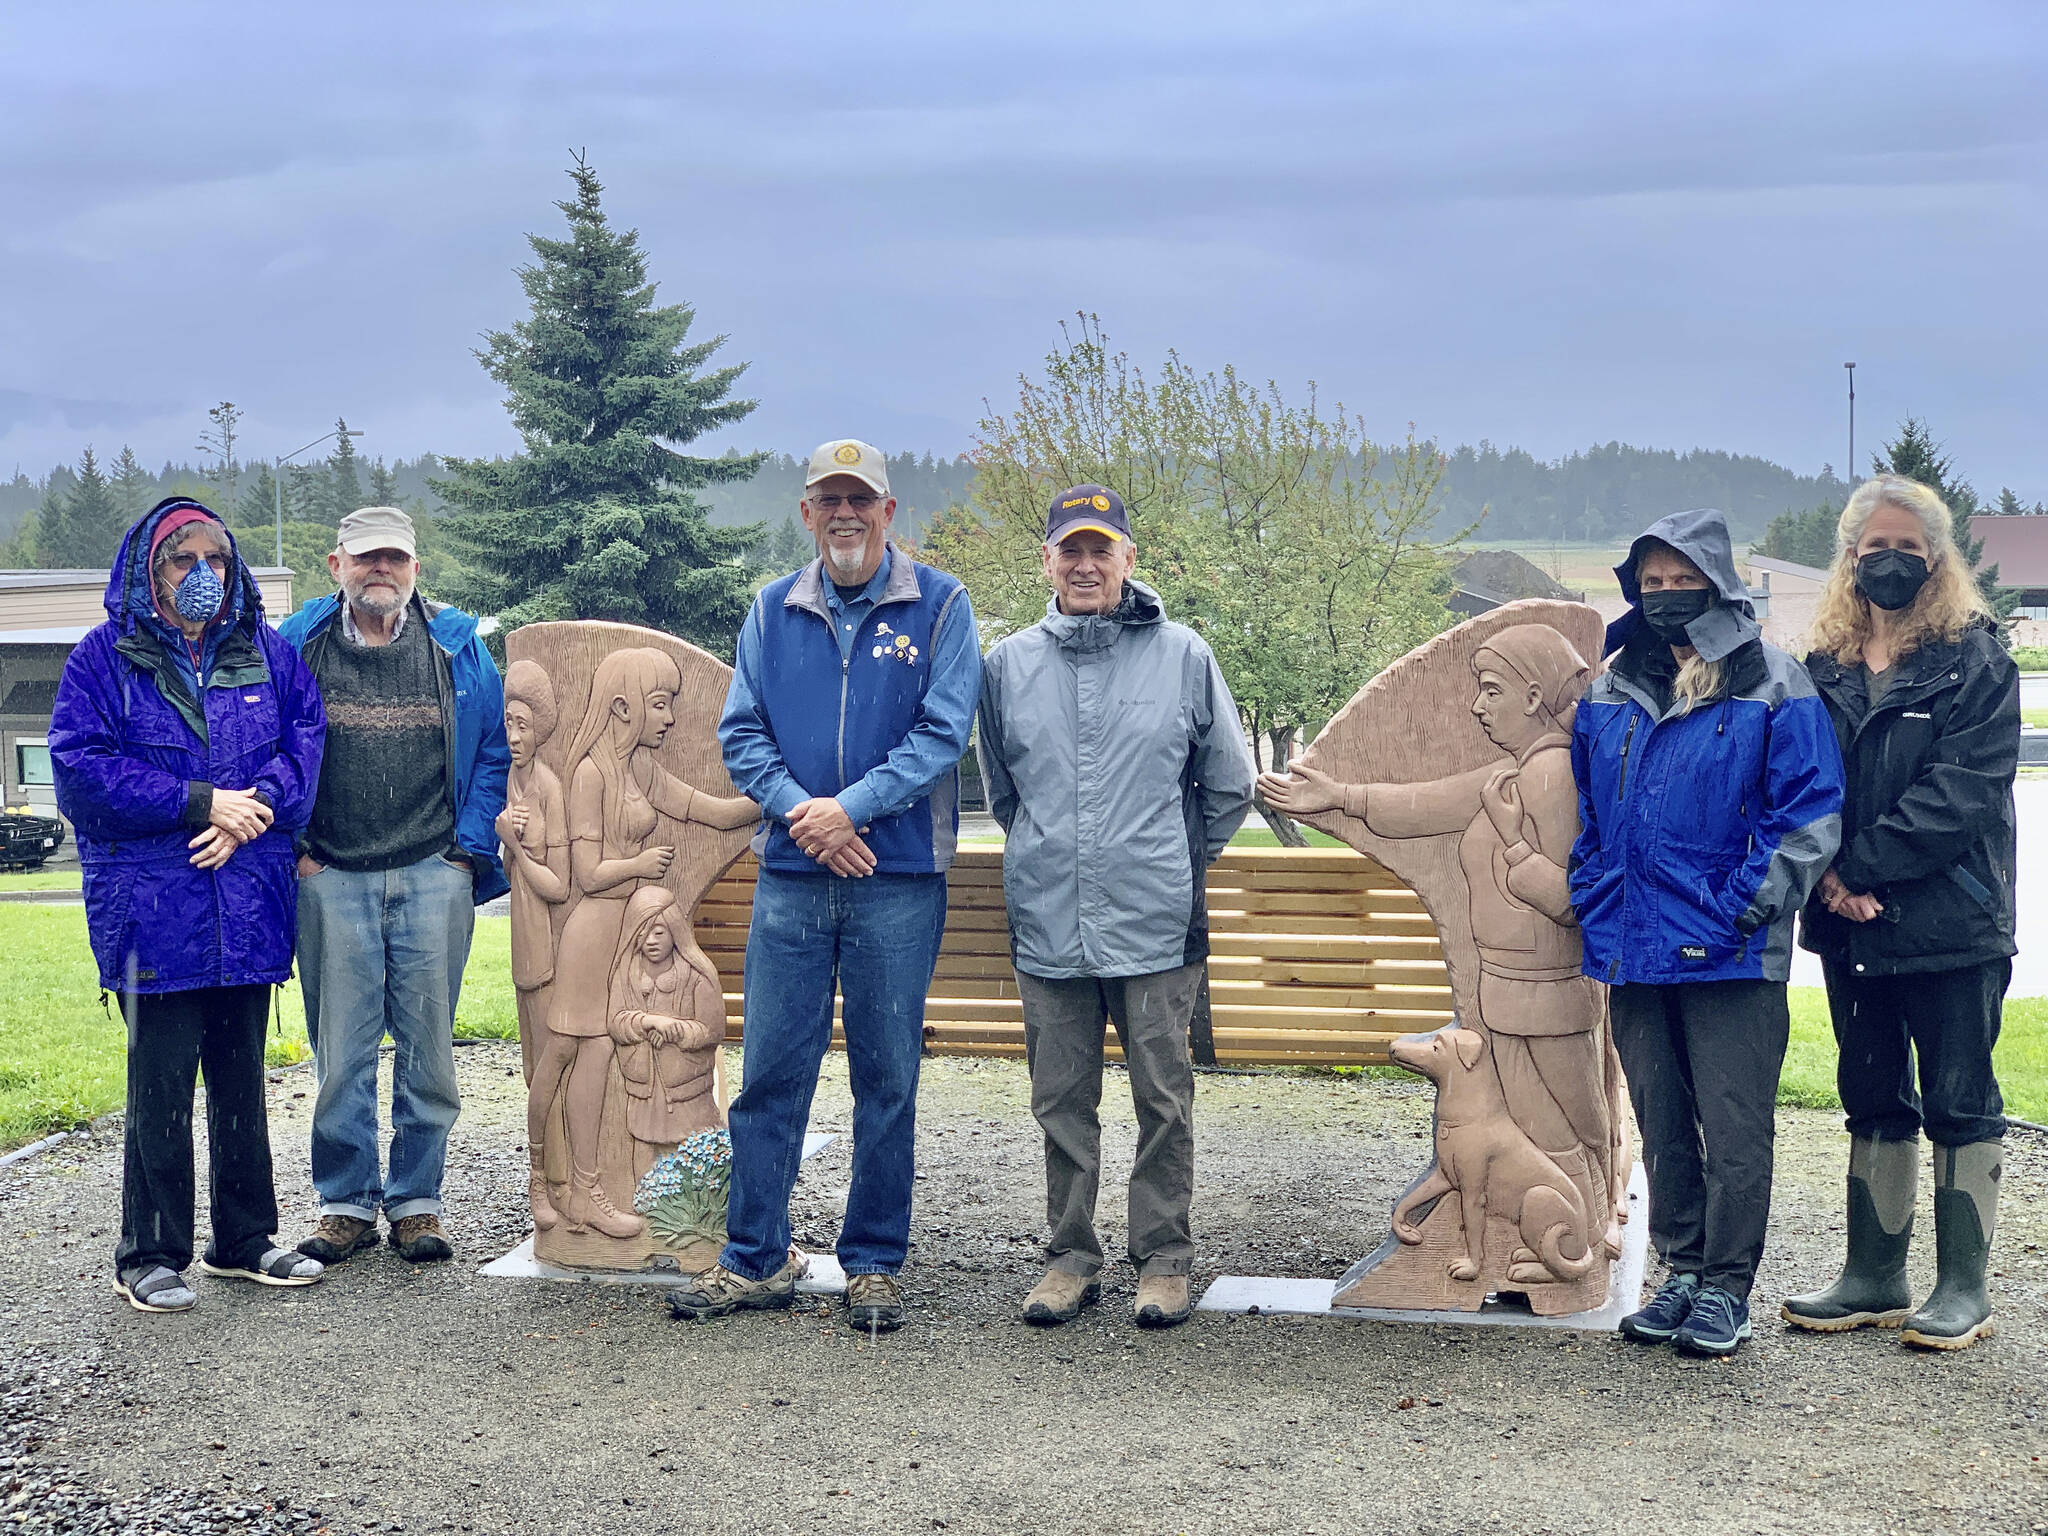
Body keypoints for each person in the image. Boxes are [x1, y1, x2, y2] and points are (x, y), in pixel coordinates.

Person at [667, 438, 980, 1333]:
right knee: (770, 1075)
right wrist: (805, 814)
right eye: (828, 500)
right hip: (794, 877)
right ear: (807, 513)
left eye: (861, 499)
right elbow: (742, 733)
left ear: (888, 511)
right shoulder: (771, 610)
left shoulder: (942, 605)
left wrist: (851, 811)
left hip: (897, 876)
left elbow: (943, 732)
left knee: (887, 1078)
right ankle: (755, 1258)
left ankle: (873, 1264)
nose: (845, 514)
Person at [1261, 624, 1631, 1274]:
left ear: (1534, 696)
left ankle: (1576, 1245)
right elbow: (1427, 805)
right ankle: (1573, 1232)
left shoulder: (1550, 774)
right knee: (1545, 1126)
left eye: (1491, 691)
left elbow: (1570, 900)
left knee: (1563, 1129)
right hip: (1510, 989)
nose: (1476, 706)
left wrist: (1513, 844)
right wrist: (1340, 797)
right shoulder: (1516, 771)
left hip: (1546, 992)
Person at [1569, 509, 1843, 1356]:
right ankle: (1681, 1272)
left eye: (1683, 580)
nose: (1665, 594)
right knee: (1662, 1122)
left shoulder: (1772, 681)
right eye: (1651, 582)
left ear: (1717, 584)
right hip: (1633, 945)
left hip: (1730, 949)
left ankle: (1727, 1288)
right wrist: (1593, 890)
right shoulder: (1611, 688)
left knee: (1734, 1130)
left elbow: (1809, 812)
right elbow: (1589, 812)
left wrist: (1742, 905)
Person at [980, 485, 1253, 1328]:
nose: (1086, 564)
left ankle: (1163, 1260)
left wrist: (1169, 860)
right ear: (1047, 562)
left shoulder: (1183, 655)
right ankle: (1069, 1259)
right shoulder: (1007, 666)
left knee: (1163, 1101)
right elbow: (1002, 792)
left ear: (1130, 560)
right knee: (1060, 1102)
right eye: (1071, 549)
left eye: (1102, 549)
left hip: (1156, 922)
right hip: (1049, 921)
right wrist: (1052, 857)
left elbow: (1229, 785)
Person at [50, 498, 327, 1311]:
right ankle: (149, 1254)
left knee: (241, 1082)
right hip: (151, 911)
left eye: (217, 559)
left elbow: (304, 745)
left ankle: (243, 1239)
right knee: (160, 1090)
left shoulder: (267, 654)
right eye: (183, 559)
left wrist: (254, 809)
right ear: (150, 571)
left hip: (247, 901)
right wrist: (200, 801)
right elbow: (81, 772)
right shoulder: (103, 660)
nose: (203, 573)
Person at [1781, 475, 2019, 1351]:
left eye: (1907, 548)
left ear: (1936, 557)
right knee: (1872, 1092)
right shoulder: (1823, 667)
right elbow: (1794, 781)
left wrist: (1854, 866)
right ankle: (1874, 1276)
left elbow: (1962, 792)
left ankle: (1963, 1289)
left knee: (1960, 1097)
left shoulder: (1976, 661)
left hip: (1952, 922)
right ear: (1850, 557)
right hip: (1850, 924)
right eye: (1873, 547)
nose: (1889, 560)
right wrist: (1827, 878)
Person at [275, 506, 510, 1265]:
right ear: (336, 565)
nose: (382, 569)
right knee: (341, 1055)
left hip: (433, 871)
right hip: (331, 874)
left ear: (415, 568)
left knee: (429, 1052)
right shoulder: (295, 645)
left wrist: (467, 851)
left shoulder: (458, 647)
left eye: (396, 559)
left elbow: (495, 752)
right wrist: (297, 849)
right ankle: (345, 1203)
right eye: (367, 557)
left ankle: (416, 1201)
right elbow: (263, 746)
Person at [526, 646, 755, 1237]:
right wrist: (640, 865)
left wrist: (774, 800)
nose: (670, 718)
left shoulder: (639, 770)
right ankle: (546, 1180)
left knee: (598, 1055)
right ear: (623, 706)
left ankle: (584, 1190)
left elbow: (706, 810)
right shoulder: (591, 773)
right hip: (591, 934)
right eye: (660, 704)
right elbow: (587, 874)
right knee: (563, 1054)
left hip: (625, 933)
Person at [499, 660, 572, 1220]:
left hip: (551, 949)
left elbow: (559, 885)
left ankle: (553, 1182)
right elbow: (511, 873)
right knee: (531, 1070)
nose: (515, 736)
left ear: (541, 728)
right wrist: (509, 844)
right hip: (523, 945)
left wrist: (518, 846)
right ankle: (548, 1179)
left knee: (550, 1070)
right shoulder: (515, 777)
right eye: (509, 723)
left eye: (524, 725)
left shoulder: (548, 785)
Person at [608, 885, 728, 1181]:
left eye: (659, 932)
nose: (651, 940)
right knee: (644, 1152)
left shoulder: (697, 975)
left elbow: (712, 1029)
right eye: (643, 932)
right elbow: (616, 1021)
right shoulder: (627, 973)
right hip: (643, 1089)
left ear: (674, 930)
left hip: (687, 1088)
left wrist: (674, 1030)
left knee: (690, 1154)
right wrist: (648, 1022)